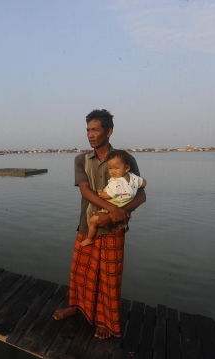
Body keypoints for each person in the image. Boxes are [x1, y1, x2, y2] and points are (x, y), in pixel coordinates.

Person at [53, 109, 146, 339]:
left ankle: (104, 321)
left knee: (109, 277)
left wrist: (117, 213)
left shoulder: (125, 159)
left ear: (109, 131)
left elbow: (141, 195)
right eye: (87, 130)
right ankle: (76, 307)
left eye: (95, 129)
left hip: (114, 229)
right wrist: (111, 209)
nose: (90, 135)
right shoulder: (81, 160)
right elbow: (85, 191)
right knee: (80, 271)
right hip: (88, 224)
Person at [80, 150, 147, 247]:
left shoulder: (115, 183)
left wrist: (100, 193)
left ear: (127, 167)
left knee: (93, 221)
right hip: (125, 204)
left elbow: (107, 196)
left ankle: (90, 239)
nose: (112, 171)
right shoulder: (133, 177)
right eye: (110, 168)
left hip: (113, 205)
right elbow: (144, 183)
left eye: (116, 168)